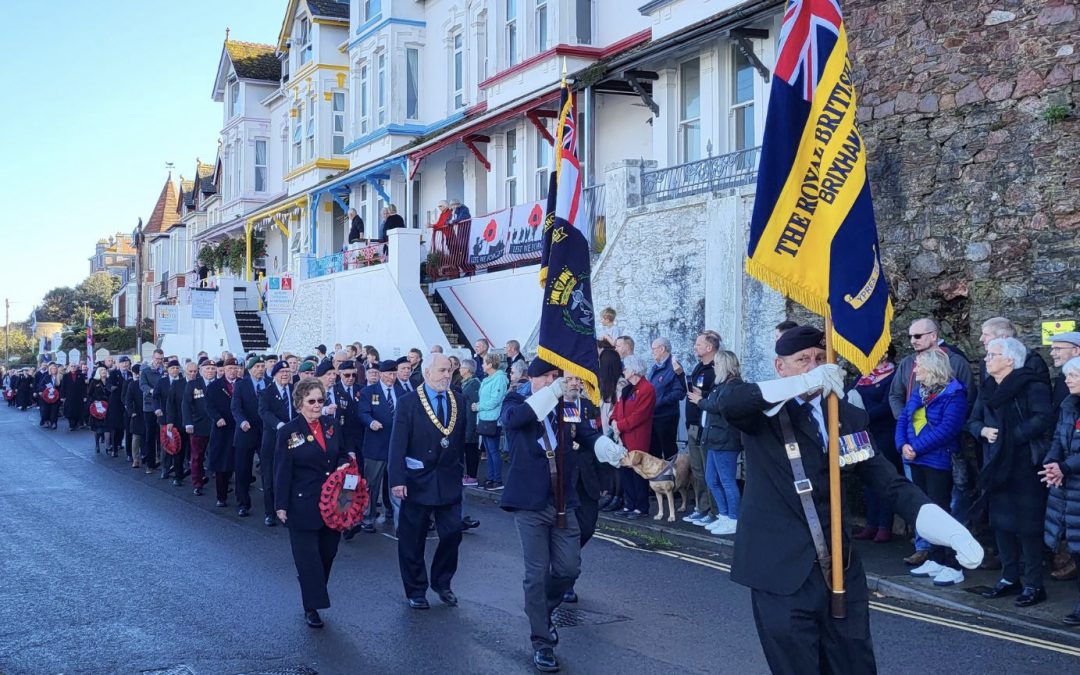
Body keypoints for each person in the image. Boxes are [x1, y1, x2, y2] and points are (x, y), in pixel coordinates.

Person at [718, 325, 982, 674]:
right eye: (802, 361)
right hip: (780, 572)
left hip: (839, 569)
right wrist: (800, 384)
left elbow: (886, 481)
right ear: (780, 367)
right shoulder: (763, 415)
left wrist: (944, 526)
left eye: (820, 359)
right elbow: (730, 401)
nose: (813, 367)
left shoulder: (846, 416)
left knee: (855, 666)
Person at [499, 358, 625, 672]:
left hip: (562, 501)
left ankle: (542, 609)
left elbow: (584, 434)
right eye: (550, 377)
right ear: (533, 378)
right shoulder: (517, 400)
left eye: (558, 376)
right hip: (530, 503)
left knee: (569, 568)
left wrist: (610, 450)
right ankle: (542, 641)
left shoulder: (566, 405)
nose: (556, 381)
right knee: (537, 574)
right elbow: (517, 420)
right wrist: (554, 391)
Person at [969, 337, 1054, 607]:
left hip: (1024, 464)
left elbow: (1043, 419)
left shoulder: (1033, 385)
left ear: (1010, 359)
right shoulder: (988, 387)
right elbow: (972, 420)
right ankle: (1009, 577)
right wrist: (982, 431)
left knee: (1028, 527)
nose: (986, 359)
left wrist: (1009, 436)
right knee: (1000, 523)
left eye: (992, 354)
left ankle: (1033, 584)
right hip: (996, 464)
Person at [388, 355, 466, 610]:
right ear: (427, 372)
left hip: (448, 479)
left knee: (453, 532)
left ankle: (442, 582)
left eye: (450, 370)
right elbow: (397, 444)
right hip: (417, 479)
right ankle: (416, 588)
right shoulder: (408, 402)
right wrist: (397, 479)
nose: (447, 374)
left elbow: (459, 441)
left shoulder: (458, 399)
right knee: (413, 538)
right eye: (442, 370)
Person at [274, 378, 353, 629]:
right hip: (302, 503)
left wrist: (343, 463)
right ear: (299, 404)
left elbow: (340, 451)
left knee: (327, 553)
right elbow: (282, 469)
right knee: (308, 558)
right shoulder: (288, 431)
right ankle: (312, 606)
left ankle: (314, 589)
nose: (317, 405)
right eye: (312, 401)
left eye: (321, 400)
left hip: (333, 503)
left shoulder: (331, 425)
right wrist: (281, 504)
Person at [895, 349, 969, 586]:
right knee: (926, 512)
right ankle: (936, 559)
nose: (915, 370)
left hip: (938, 460)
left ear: (933, 368)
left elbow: (948, 429)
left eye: (920, 366)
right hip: (916, 459)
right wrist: (903, 445)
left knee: (943, 511)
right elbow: (904, 419)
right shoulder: (919, 392)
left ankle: (953, 564)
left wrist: (916, 447)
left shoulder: (954, 394)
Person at [1040, 356, 1080, 624]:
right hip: (1068, 488)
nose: (1067, 380)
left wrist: (1064, 467)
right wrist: (1052, 464)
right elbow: (1057, 438)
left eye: (1073, 375)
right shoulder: (1068, 405)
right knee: (1077, 550)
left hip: (1071, 478)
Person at [561, 373, 606, 604]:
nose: (574, 384)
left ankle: (562, 560)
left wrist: (606, 481)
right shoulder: (554, 405)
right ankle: (566, 582)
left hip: (587, 478)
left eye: (578, 381)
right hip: (564, 479)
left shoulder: (589, 406)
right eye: (569, 380)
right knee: (567, 531)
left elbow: (599, 439)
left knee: (587, 528)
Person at [849, 346, 899, 543]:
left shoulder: (892, 376)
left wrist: (863, 417)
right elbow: (849, 394)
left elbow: (887, 405)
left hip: (884, 433)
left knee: (884, 478)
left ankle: (884, 526)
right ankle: (871, 524)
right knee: (867, 479)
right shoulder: (863, 376)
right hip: (863, 434)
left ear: (885, 354)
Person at [693, 350, 743, 536]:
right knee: (711, 479)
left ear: (725, 366)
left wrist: (700, 401)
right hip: (715, 439)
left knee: (727, 482)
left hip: (726, 440)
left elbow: (720, 407)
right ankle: (724, 515)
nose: (714, 368)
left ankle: (734, 519)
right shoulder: (721, 385)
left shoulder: (733, 385)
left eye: (717, 364)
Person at [354, 360, 400, 536]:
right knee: (372, 483)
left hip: (395, 445)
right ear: (381, 374)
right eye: (388, 374)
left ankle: (396, 518)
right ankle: (368, 516)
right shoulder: (369, 392)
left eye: (394, 374)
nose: (391, 377)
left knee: (395, 483)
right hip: (376, 445)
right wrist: (371, 422)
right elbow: (362, 413)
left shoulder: (400, 391)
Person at [610, 355, 655, 519]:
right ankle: (629, 504)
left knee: (637, 472)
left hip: (637, 436)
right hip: (623, 436)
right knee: (625, 471)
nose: (624, 371)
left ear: (634, 370)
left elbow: (640, 415)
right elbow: (618, 407)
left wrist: (620, 425)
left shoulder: (647, 388)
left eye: (626, 368)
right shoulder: (627, 388)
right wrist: (613, 420)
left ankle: (641, 507)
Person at [682, 332, 719, 526]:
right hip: (693, 425)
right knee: (697, 470)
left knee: (708, 471)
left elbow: (715, 397)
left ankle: (714, 511)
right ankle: (702, 507)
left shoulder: (716, 369)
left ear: (709, 348)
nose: (695, 346)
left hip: (705, 426)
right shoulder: (699, 367)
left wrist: (702, 395)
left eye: (698, 344)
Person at [259, 361, 294, 526]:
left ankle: (286, 509)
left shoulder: (294, 391)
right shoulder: (266, 392)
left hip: (293, 439)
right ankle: (270, 513)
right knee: (270, 477)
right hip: (273, 439)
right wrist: (279, 425)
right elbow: (263, 412)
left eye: (288, 371)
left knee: (288, 474)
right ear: (274, 375)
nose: (285, 374)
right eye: (282, 372)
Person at [232, 357, 266, 517]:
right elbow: (236, 407)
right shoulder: (241, 385)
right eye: (257, 366)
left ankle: (271, 505)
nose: (261, 369)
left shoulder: (269, 383)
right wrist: (242, 421)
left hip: (265, 431)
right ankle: (243, 503)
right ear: (250, 369)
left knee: (267, 467)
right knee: (243, 469)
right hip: (246, 430)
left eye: (262, 366)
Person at [206, 358, 240, 508]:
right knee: (222, 464)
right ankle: (221, 496)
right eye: (230, 368)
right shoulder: (215, 386)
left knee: (240, 464)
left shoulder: (242, 383)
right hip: (222, 429)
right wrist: (217, 418)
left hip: (239, 428)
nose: (233, 371)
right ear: (224, 370)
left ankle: (241, 497)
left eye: (235, 368)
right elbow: (209, 405)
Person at [183, 359, 216, 497]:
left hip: (216, 425)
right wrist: (188, 423)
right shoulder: (193, 384)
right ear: (201, 371)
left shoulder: (218, 384)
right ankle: (197, 483)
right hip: (198, 425)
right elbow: (186, 404)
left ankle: (219, 484)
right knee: (197, 456)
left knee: (216, 455)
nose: (210, 371)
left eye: (212, 369)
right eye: (207, 369)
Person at [647, 337, 684, 461]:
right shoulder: (655, 367)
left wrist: (657, 402)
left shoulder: (674, 367)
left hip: (666, 416)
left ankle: (673, 478)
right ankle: (657, 479)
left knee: (669, 451)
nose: (652, 352)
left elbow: (679, 392)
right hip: (653, 416)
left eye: (654, 349)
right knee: (653, 450)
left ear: (662, 349)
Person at [597, 346, 624, 512]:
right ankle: (611, 492)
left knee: (618, 464)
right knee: (608, 463)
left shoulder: (620, 384)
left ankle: (618, 496)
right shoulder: (604, 384)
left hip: (616, 430)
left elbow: (620, 408)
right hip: (605, 429)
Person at [478, 352, 509, 490]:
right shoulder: (487, 379)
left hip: (492, 419)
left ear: (490, 364)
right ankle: (490, 477)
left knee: (493, 450)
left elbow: (495, 400)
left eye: (484, 362)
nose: (482, 365)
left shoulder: (499, 379)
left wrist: (479, 406)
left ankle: (497, 479)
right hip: (484, 417)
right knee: (489, 451)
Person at [154, 360, 185, 480]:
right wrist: (157, 409)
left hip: (181, 418)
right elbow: (155, 397)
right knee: (167, 444)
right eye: (172, 368)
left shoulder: (183, 382)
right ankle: (165, 468)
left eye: (177, 368)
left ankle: (179, 469)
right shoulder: (162, 382)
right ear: (168, 370)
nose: (175, 370)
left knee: (181, 444)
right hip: (165, 418)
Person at [140, 349, 165, 473]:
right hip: (149, 406)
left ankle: (164, 462)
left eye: (161, 359)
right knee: (150, 435)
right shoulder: (145, 371)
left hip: (163, 406)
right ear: (153, 358)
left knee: (164, 435)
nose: (159, 361)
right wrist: (151, 391)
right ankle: (150, 463)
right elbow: (142, 385)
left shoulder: (165, 371)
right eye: (157, 359)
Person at [460, 359, 482, 487]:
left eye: (462, 367)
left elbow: (474, 405)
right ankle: (468, 474)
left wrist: (472, 425)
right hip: (466, 421)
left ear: (467, 370)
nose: (460, 370)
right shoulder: (466, 383)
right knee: (467, 448)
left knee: (471, 449)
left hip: (471, 423)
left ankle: (472, 475)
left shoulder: (473, 384)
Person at [105, 357, 132, 457]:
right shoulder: (113, 374)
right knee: (116, 427)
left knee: (126, 427)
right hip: (116, 403)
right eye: (122, 363)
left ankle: (127, 450)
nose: (125, 364)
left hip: (128, 403)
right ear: (118, 364)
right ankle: (114, 447)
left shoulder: (130, 374)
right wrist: (111, 388)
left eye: (126, 362)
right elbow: (108, 384)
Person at [1050, 332, 1080, 410]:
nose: (1051, 353)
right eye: (1052, 349)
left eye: (1057, 349)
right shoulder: (1062, 377)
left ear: (1076, 351)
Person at [125, 363, 145, 469]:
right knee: (136, 437)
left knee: (151, 437)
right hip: (137, 413)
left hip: (149, 413)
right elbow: (128, 400)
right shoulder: (133, 384)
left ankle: (151, 457)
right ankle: (136, 459)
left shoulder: (152, 383)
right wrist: (131, 412)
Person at [60, 364, 87, 431]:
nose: (73, 367)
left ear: (77, 367)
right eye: (71, 366)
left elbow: (84, 387)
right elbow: (63, 386)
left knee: (78, 410)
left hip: (79, 396)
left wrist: (85, 396)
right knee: (70, 410)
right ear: (69, 367)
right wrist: (62, 396)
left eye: (74, 366)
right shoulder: (65, 376)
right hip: (69, 396)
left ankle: (77, 423)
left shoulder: (81, 375)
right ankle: (71, 425)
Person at [37, 364, 61, 430]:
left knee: (55, 411)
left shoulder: (60, 377)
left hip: (56, 398)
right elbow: (41, 385)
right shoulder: (47, 377)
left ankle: (54, 423)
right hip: (47, 397)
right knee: (46, 410)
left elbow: (62, 387)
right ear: (50, 370)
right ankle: (46, 421)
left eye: (55, 368)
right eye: (52, 369)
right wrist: (41, 391)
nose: (54, 370)